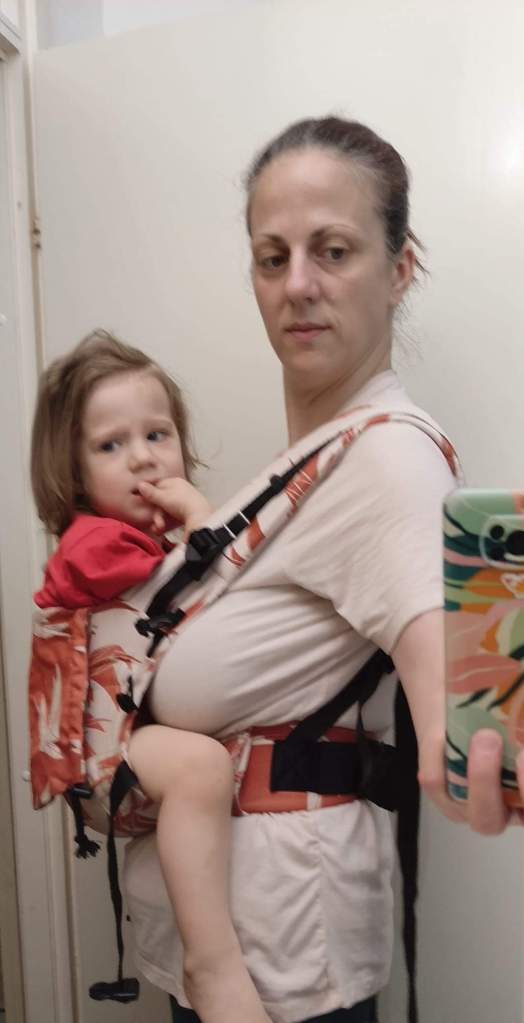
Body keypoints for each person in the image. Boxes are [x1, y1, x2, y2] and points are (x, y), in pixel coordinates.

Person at [30, 330, 272, 1023]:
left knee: (211, 763)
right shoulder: (93, 542)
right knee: (201, 766)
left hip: (123, 753)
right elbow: (189, 586)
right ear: (76, 476)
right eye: (111, 445)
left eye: (157, 434)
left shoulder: (141, 538)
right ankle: (211, 961)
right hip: (100, 755)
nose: (142, 456)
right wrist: (200, 521)